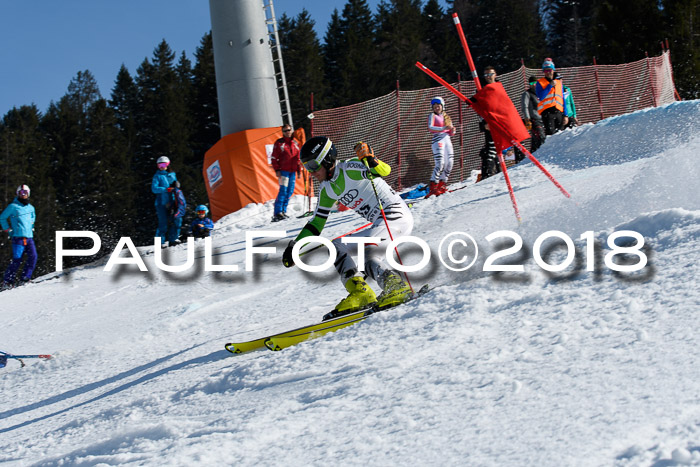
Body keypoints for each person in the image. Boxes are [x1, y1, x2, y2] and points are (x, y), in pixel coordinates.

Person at [282, 137, 413, 320]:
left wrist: (371, 159)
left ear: (327, 159)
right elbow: (317, 223)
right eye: (306, 167)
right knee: (336, 246)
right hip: (379, 223)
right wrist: (295, 246)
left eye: (313, 165)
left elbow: (385, 170)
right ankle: (360, 292)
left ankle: (396, 287)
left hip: (395, 216)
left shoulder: (350, 168)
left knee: (368, 252)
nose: (311, 172)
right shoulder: (327, 189)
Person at [1, 185, 37, 288]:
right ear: (18, 193)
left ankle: (25, 278)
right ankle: (7, 281)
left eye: (25, 192)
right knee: (17, 258)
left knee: (33, 257)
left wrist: (32, 227)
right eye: (21, 192)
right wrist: (8, 230)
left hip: (29, 238)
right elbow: (2, 218)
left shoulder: (31, 208)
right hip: (18, 238)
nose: (23, 194)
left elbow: (32, 219)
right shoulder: (13, 206)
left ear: (28, 193)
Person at [270, 123, 302, 222]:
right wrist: (277, 170)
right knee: (283, 191)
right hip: (284, 171)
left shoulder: (295, 143)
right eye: (285, 131)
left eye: (289, 130)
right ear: (283, 132)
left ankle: (283, 211)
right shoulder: (279, 143)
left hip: (292, 172)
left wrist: (299, 170)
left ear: (292, 130)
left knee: (290, 191)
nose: (287, 132)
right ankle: (278, 212)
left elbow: (298, 158)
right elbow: (274, 158)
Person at [426, 96, 455, 197]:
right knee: (440, 163)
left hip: (447, 139)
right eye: (434, 106)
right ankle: (433, 186)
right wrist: (443, 128)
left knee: (450, 163)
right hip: (438, 140)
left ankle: (442, 185)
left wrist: (452, 130)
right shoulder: (432, 115)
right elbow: (430, 127)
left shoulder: (446, 116)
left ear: (442, 106)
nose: (436, 107)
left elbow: (451, 133)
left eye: (438, 105)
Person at [478, 66, 501, 180]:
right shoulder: (482, 89)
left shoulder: (499, 88)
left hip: (500, 124)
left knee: (499, 150)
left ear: (495, 74)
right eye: (486, 75)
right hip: (489, 125)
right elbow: (478, 109)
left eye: (490, 74)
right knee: (490, 150)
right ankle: (487, 175)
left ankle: (497, 172)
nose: (488, 77)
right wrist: (483, 124)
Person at [535, 58, 567, 135]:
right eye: (545, 71)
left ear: (553, 70)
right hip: (547, 112)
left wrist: (566, 115)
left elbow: (563, 98)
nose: (548, 72)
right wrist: (549, 86)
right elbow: (540, 96)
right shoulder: (540, 82)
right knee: (551, 135)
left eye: (549, 70)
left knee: (561, 134)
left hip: (559, 111)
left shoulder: (559, 82)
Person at [152, 156, 178, 244]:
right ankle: (160, 243)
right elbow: (154, 188)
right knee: (163, 224)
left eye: (163, 164)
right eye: (159, 165)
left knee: (175, 221)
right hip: (161, 203)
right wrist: (166, 189)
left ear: (168, 164)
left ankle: (173, 239)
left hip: (172, 201)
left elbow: (176, 186)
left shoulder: (172, 174)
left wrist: (177, 185)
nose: (162, 166)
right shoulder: (157, 176)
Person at [521, 75, 546, 152]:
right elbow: (524, 106)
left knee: (536, 139)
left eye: (535, 82)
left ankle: (534, 152)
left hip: (542, 118)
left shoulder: (540, 93)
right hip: (534, 119)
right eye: (531, 83)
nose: (533, 84)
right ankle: (540, 151)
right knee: (540, 136)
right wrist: (527, 119)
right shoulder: (527, 94)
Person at [167, 180, 186, 246]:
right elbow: (180, 202)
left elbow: (181, 202)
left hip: (177, 211)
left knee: (176, 225)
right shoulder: (175, 192)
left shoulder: (177, 192)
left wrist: (178, 212)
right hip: (177, 211)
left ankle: (174, 239)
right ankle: (173, 239)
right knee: (175, 225)